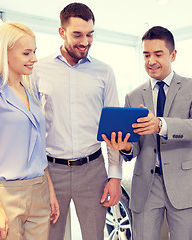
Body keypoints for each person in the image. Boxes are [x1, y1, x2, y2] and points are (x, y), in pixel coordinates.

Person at [102, 26, 192, 240]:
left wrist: (161, 125)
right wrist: (124, 147)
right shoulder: (133, 96)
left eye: (158, 54)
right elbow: (134, 147)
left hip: (185, 183)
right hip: (146, 185)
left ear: (173, 55)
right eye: (146, 55)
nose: (151, 61)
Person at [31, 2, 122, 240]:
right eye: (77, 35)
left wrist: (115, 176)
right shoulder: (37, 70)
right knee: (51, 236)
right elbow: (30, 125)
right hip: (51, 172)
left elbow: (114, 128)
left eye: (90, 34)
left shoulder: (105, 72)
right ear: (62, 32)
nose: (85, 41)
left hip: (93, 170)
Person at [0, 22, 59, 240]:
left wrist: (50, 192)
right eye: (27, 53)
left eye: (35, 52)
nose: (34, 59)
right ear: (6, 53)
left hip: (39, 190)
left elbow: (39, 148)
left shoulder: (31, 92)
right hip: (6, 194)